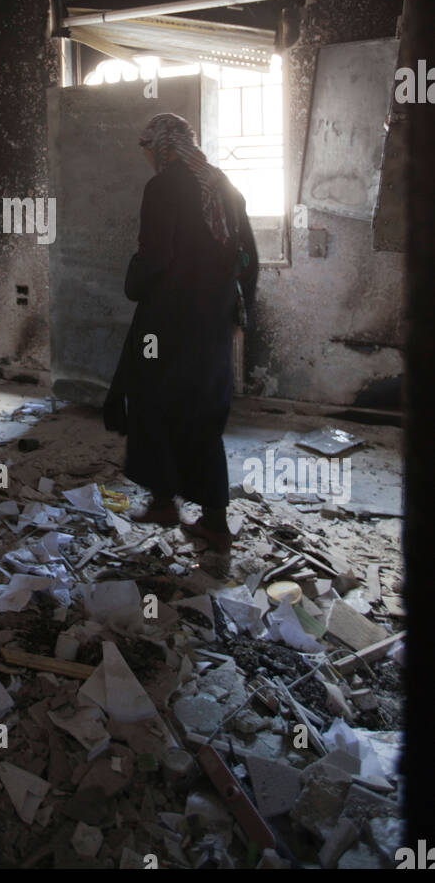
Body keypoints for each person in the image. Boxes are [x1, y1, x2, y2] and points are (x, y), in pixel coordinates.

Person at [104, 111, 258, 554]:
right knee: (201, 412)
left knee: (152, 403)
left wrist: (132, 282)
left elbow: (153, 258)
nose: (148, 158)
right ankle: (212, 519)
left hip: (167, 325)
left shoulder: (165, 186)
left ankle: (162, 503)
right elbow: (248, 256)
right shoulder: (222, 185)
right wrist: (234, 306)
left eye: (149, 149)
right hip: (211, 324)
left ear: (162, 147)